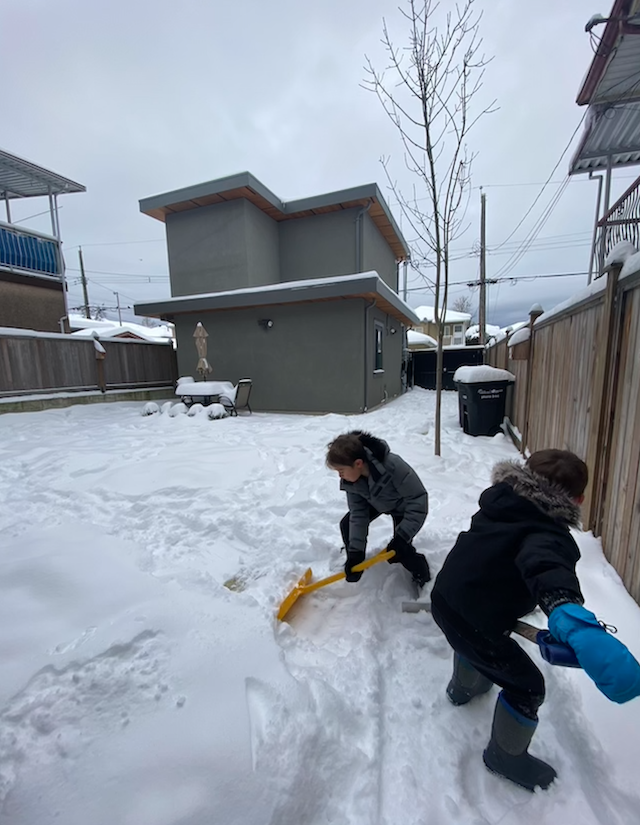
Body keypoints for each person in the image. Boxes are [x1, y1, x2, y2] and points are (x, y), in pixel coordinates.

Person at [431, 449, 640, 792]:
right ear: (579, 499)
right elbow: (545, 565)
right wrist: (567, 611)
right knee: (527, 685)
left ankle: (463, 688)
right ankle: (504, 757)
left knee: (479, 644)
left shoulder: (501, 502)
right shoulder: (546, 532)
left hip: (447, 600)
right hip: (478, 621)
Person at [326, 430, 431, 588]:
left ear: (358, 463)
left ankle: (421, 573)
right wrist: (356, 553)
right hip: (377, 501)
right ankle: (355, 564)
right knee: (347, 524)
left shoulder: (392, 466)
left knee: (400, 550)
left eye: (341, 471)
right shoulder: (352, 480)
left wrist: (402, 536)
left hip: (402, 506)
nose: (340, 476)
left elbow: (418, 499)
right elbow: (358, 514)